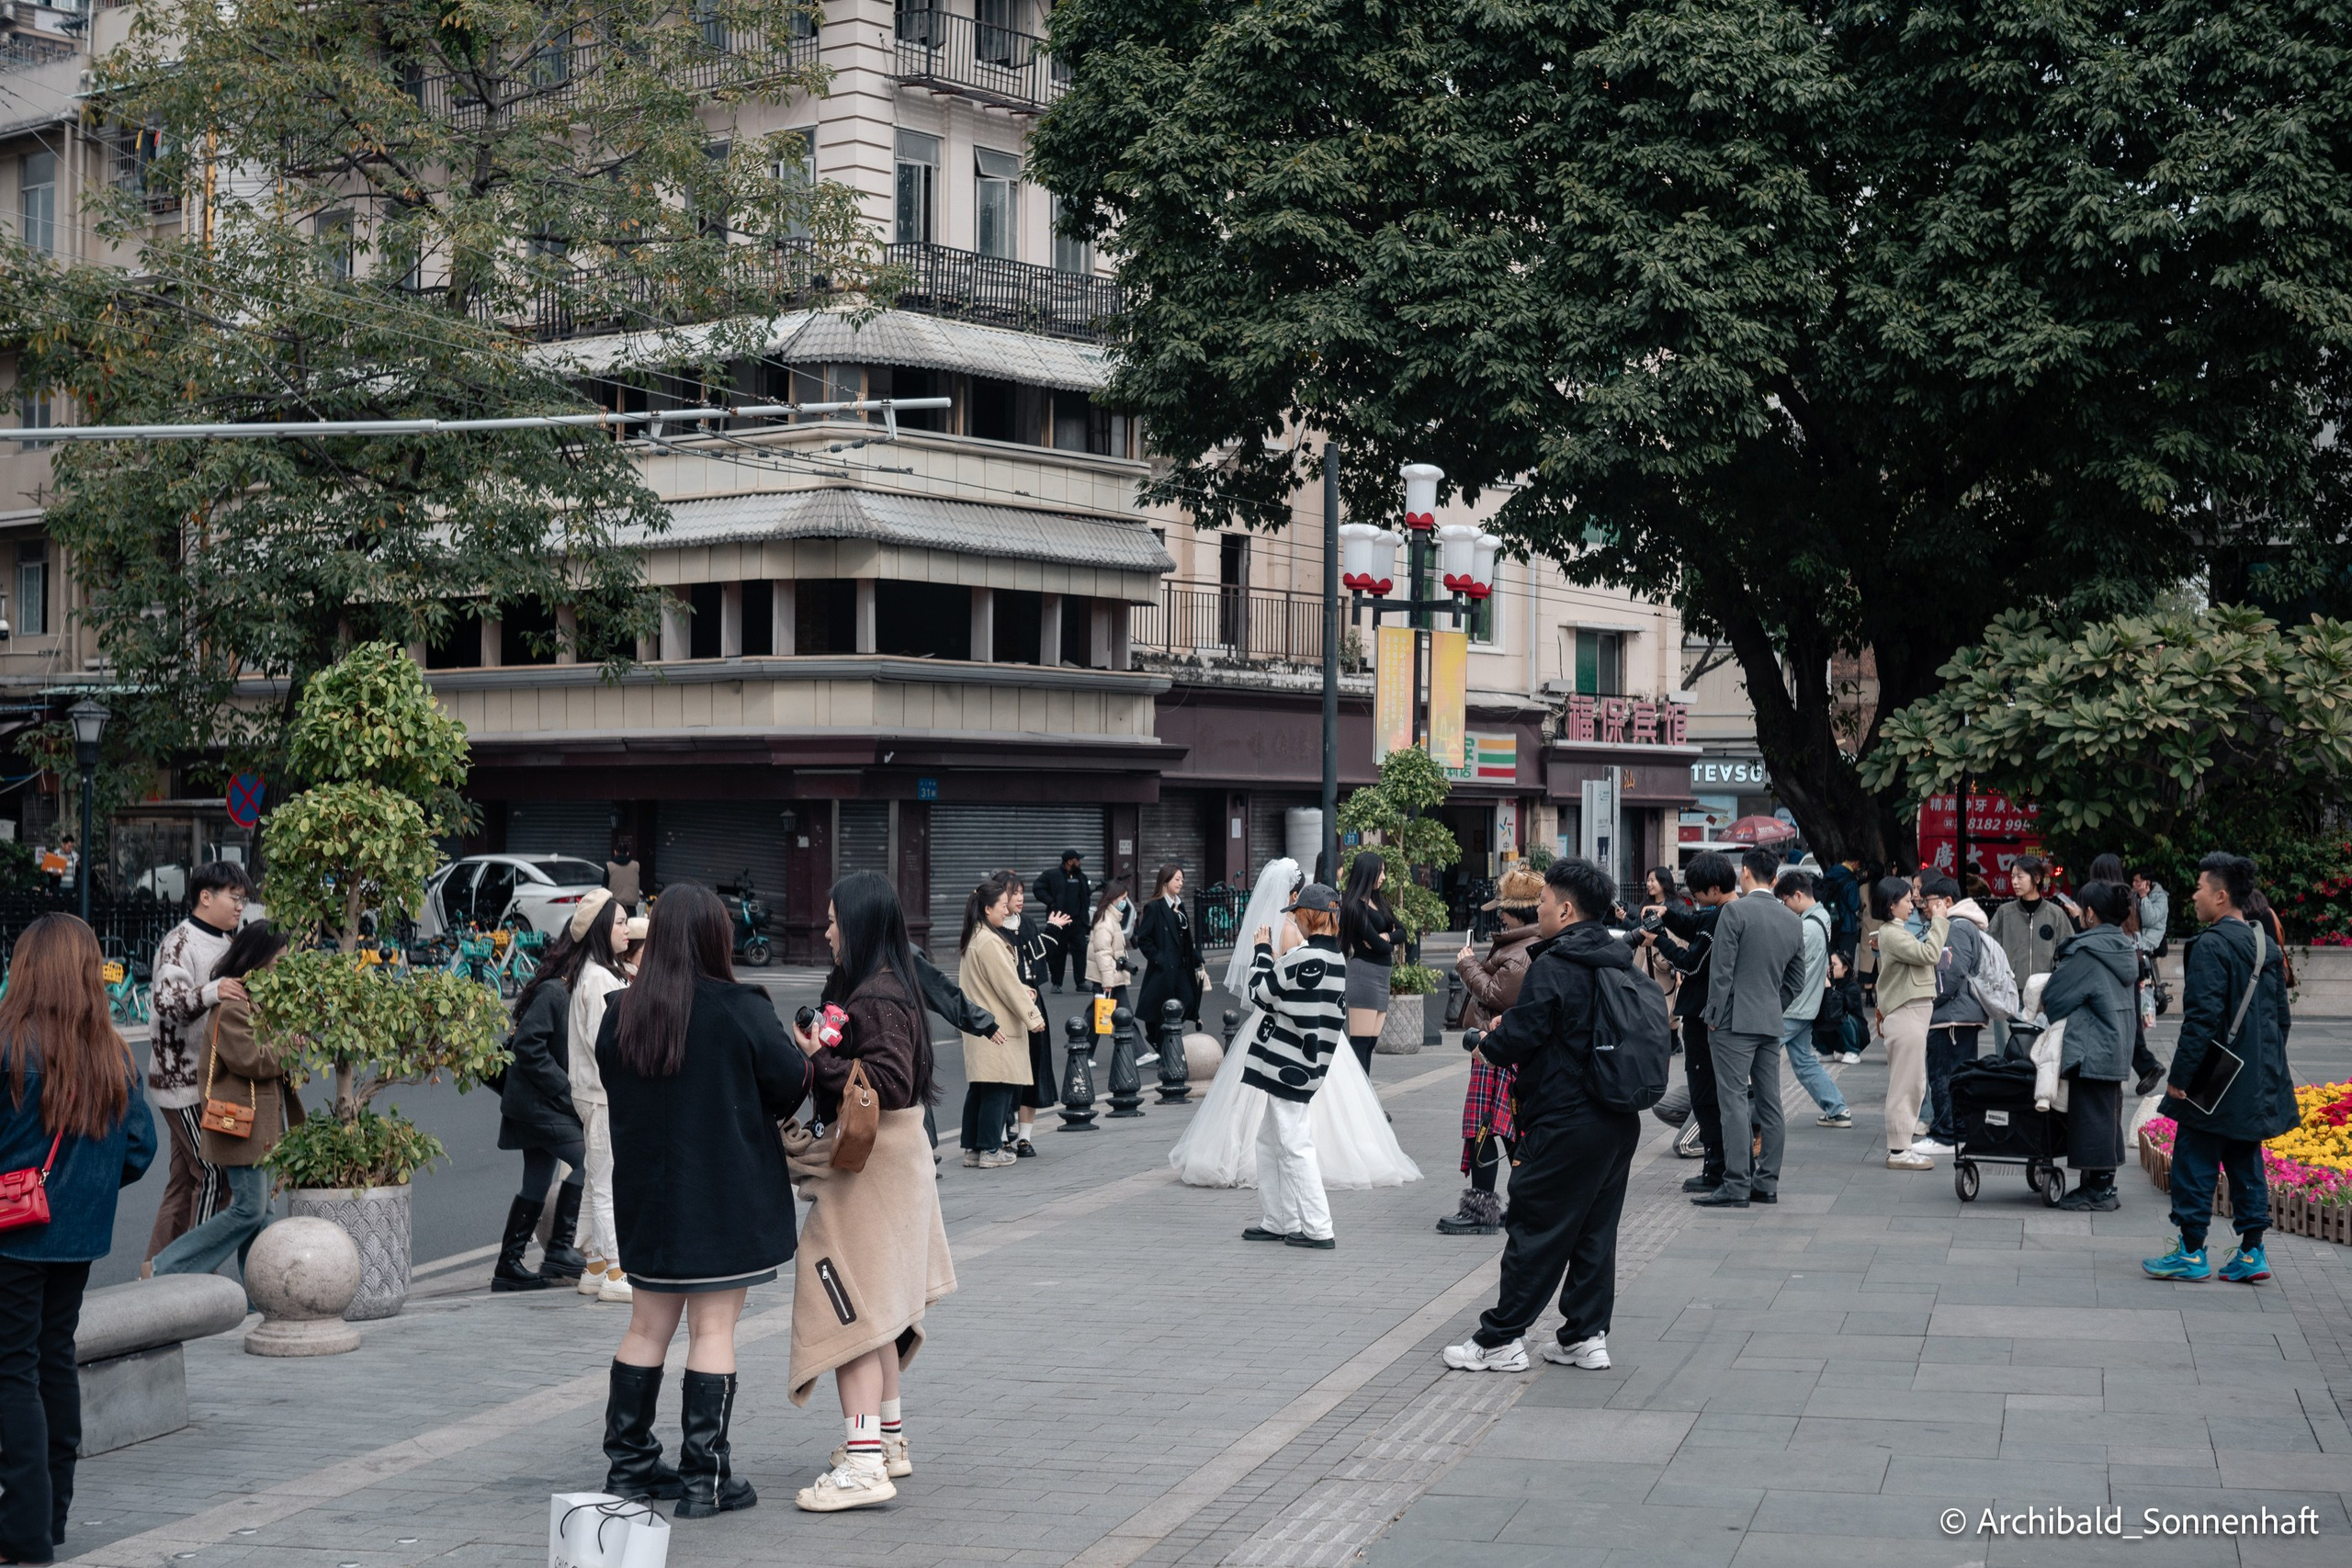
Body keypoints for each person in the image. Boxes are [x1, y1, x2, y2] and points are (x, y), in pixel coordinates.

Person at [594, 884, 809, 1517]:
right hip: (721, 1196)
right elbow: (787, 1084)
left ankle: (629, 1470)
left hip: (647, 1200)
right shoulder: (739, 1006)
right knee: (712, 1328)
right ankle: (704, 1479)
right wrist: (804, 1054)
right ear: (718, 937)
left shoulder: (621, 1011)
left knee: (645, 1327)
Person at [786, 872, 956, 1513]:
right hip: (894, 1161)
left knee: (845, 1303)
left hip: (871, 1166)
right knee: (879, 1305)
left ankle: (862, 1465)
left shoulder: (878, 995)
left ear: (856, 924)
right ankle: (888, 1441)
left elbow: (882, 1078)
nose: (826, 930)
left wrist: (816, 1060)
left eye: (832, 920)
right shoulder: (889, 985)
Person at [1443, 857, 1649, 1374]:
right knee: (1594, 1233)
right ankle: (1584, 1335)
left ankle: (1500, 1340)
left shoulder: (1555, 965)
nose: (1538, 911)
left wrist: (1487, 1043)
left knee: (1536, 1227)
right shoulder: (1619, 959)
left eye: (1542, 903)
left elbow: (1521, 1035)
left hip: (1565, 1118)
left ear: (1566, 908)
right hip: (1618, 1118)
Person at [0, 913, 157, 1564]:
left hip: (11, 1236)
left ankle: (24, 1534)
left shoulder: (8, 1046)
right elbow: (141, 1149)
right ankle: (53, 1516)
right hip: (78, 1238)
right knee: (53, 1361)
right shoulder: (112, 1054)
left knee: (11, 1370)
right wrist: (80, 1194)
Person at [1167, 859, 1421, 1190]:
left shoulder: (1288, 925)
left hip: (1283, 1019)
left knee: (1269, 1109)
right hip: (1295, 1021)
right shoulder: (1293, 929)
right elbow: (1280, 981)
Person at [2145, 854, 2298, 1283]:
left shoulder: (2212, 945)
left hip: (2215, 1078)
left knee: (2193, 1157)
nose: (2193, 896)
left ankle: (2192, 1252)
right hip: (2254, 1075)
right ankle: (2252, 1253)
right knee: (2244, 1155)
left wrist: (2180, 1079)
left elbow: (2201, 1020)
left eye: (2198, 888)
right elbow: (2280, 1019)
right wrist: (2261, 1064)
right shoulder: (2263, 943)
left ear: (2221, 895)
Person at [151, 923, 298, 1284]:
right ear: (258, 959)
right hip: (241, 1125)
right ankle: (168, 1266)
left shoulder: (257, 1000)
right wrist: (290, 1044)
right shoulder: (235, 1006)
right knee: (249, 1209)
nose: (284, 967)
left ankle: (256, 1294)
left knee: (262, 1212)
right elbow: (252, 1059)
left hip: (258, 1126)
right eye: (279, 960)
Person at [143, 860, 252, 1269]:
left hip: (210, 1081)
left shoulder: (230, 939)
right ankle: (193, 1274)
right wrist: (213, 990)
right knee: (213, 1173)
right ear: (206, 897)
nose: (240, 906)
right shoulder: (179, 943)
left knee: (184, 1180)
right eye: (234, 897)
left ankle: (155, 1270)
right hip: (182, 1084)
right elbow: (167, 1005)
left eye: (244, 899)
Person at [1693, 848, 1805, 1208]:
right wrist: (1775, 1004)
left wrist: (1713, 1015)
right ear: (1774, 879)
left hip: (1731, 1022)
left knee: (1733, 1103)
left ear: (1744, 873)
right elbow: (1796, 980)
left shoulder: (1735, 911)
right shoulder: (1792, 920)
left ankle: (1737, 1183)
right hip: (1769, 1022)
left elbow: (1721, 971)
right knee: (1771, 1104)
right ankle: (1767, 1182)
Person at [1240, 883, 1350, 1250]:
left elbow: (1260, 991)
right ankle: (1279, 1219)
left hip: (1289, 1063)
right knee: (1270, 1141)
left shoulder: (1303, 959)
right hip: (1308, 1063)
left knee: (1293, 1143)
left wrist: (1261, 952)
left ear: (1309, 915)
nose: (1296, 921)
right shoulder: (1336, 959)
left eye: (1298, 914)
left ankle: (1318, 1228)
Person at [1441, 865, 1544, 1235]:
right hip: (1503, 1044)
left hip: (1497, 1046)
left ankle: (1482, 1208)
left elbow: (1495, 995)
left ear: (1517, 910)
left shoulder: (1520, 950)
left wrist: (1467, 963)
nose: (1498, 913)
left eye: (1502, 907)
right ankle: (1522, 1207)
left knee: (1486, 1126)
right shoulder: (1523, 943)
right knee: (1507, 1128)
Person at [491, 923, 589, 1293]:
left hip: (533, 1104)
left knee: (537, 1178)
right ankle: (559, 1249)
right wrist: (567, 1093)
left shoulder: (567, 987)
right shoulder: (554, 990)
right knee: (590, 1159)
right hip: (537, 1105)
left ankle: (508, 1264)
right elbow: (528, 1049)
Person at [2040, 880, 2137, 1213]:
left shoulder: (2086, 951)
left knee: (2092, 1115)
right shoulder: (2123, 948)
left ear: (2091, 913)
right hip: (2116, 1042)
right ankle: (2101, 1184)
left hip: (2092, 1044)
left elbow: (2054, 998)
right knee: (2106, 1113)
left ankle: (2097, 1191)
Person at [1645, 852, 1734, 1193]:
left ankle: (1716, 1169)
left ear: (1713, 889)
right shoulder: (1720, 913)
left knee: (1704, 1097)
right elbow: (1695, 924)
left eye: (1696, 892)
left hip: (1701, 1016)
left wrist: (1659, 941)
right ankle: (1720, 1166)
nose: (1693, 898)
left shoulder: (1719, 919)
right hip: (1708, 1015)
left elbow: (1692, 964)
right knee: (1709, 1096)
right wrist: (1667, 916)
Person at [565, 889, 637, 1303]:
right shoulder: (601, 979)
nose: (627, 929)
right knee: (608, 1179)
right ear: (601, 929)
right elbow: (604, 1044)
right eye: (621, 922)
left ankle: (594, 1266)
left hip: (591, 1092)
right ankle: (615, 1269)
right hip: (604, 1094)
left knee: (596, 1176)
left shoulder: (591, 973)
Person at [955, 874, 1044, 1170]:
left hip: (981, 1024)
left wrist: (1024, 990)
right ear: (988, 909)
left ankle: (973, 1149)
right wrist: (1033, 1017)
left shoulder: (974, 937)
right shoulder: (989, 942)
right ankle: (992, 1149)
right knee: (999, 1088)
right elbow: (1007, 984)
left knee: (980, 1088)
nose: (1007, 911)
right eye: (1003, 905)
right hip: (998, 1026)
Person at [1873, 876, 1946, 1171]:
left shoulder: (1892, 932)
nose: (1912, 904)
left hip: (1910, 1012)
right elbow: (1930, 953)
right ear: (1892, 904)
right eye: (1906, 900)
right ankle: (1899, 1150)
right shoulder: (1893, 934)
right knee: (1907, 1083)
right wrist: (1940, 921)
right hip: (1906, 1013)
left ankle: (1901, 1147)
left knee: (1912, 1082)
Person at [1917, 874, 1992, 1157]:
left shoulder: (1955, 927)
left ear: (1947, 901)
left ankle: (1946, 1134)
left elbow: (1950, 973)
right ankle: (1957, 1132)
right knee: (1956, 1076)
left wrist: (1929, 1002)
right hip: (1959, 1015)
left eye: (1929, 901)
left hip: (1951, 1016)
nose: (1924, 906)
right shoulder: (1963, 925)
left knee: (1944, 1075)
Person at [1772, 871, 1849, 1128]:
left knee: (1758, 1057)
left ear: (1797, 895)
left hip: (1792, 1007)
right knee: (1804, 1061)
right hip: (1807, 1006)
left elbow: (1786, 966)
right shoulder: (1822, 917)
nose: (1785, 907)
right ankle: (1837, 1109)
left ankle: (1763, 1115)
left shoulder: (1805, 928)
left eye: (1785, 901)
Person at [1002, 879, 1071, 1155]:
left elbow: (1037, 958)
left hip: (1033, 1003)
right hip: (1006, 1006)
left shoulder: (1026, 923)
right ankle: (1001, 1135)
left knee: (1034, 1067)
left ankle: (1025, 1137)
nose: (1020, 898)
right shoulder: (991, 929)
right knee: (1005, 1074)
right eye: (1013, 893)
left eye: (1021, 893)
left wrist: (1053, 930)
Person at [1132, 863, 1205, 1056]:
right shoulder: (1154, 906)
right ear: (1165, 881)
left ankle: (1165, 1038)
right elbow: (1144, 938)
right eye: (1177, 879)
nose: (1181, 883)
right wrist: (1159, 958)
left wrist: (1196, 957)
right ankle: (1163, 1042)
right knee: (1160, 1007)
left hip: (1182, 966)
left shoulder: (1178, 905)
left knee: (1188, 1001)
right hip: (1164, 968)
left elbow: (1185, 937)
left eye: (1182, 879)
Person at [1338, 852, 1399, 1070]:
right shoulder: (1355, 906)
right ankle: (1357, 1101)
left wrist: (1388, 938)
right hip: (1364, 976)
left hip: (1382, 976)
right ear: (1368, 873)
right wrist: (1388, 941)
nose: (1383, 877)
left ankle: (1365, 1100)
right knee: (1361, 1043)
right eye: (1380, 871)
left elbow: (1403, 932)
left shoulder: (1378, 902)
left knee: (1371, 1042)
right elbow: (1381, 945)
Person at [1990, 854, 2075, 987]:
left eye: (2020, 877)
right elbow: (1990, 949)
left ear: (2036, 878)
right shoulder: (2004, 913)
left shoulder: (2055, 914)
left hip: (2045, 993)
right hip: (2011, 993)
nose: (2014, 882)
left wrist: (2055, 981)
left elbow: (2069, 952)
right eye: (2012, 877)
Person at [1032, 851, 1092, 993]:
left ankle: (1081, 982)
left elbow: (1086, 895)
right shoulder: (1052, 875)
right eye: (1078, 860)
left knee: (1080, 952)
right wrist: (1051, 902)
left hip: (1077, 922)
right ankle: (1056, 983)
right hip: (1059, 921)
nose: (1080, 862)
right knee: (1058, 952)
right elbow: (1037, 888)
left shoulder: (1081, 877)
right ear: (1070, 861)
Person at [1086, 882, 1133, 1003]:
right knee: (1116, 1016)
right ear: (1113, 898)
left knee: (1103, 1016)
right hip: (1108, 979)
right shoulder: (1106, 922)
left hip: (1113, 977)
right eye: (1123, 898)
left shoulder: (1112, 918)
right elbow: (1103, 953)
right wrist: (1107, 981)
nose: (1125, 902)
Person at [1818, 855, 1865, 966]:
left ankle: (1833, 980)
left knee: (1832, 957)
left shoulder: (1831, 873)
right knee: (1846, 959)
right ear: (1855, 863)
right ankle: (1846, 981)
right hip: (1847, 926)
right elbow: (1854, 905)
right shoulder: (1851, 881)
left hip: (1831, 922)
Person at [605, 837, 643, 911]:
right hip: (631, 905)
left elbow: (604, 886)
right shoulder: (636, 865)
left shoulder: (609, 866)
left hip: (614, 904)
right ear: (627, 853)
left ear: (615, 852)